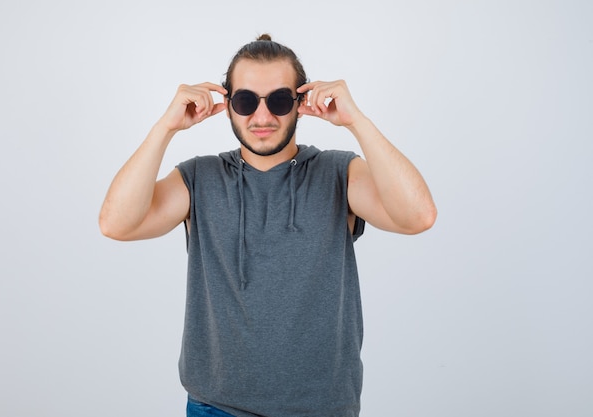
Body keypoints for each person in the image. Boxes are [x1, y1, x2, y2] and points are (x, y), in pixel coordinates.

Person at [99, 34, 436, 417]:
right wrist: (165, 128)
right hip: (217, 408)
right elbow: (116, 224)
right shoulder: (199, 178)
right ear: (228, 106)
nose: (262, 118)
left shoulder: (338, 173)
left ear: (300, 102)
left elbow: (418, 216)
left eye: (278, 100)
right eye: (245, 101)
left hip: (322, 409)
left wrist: (357, 122)